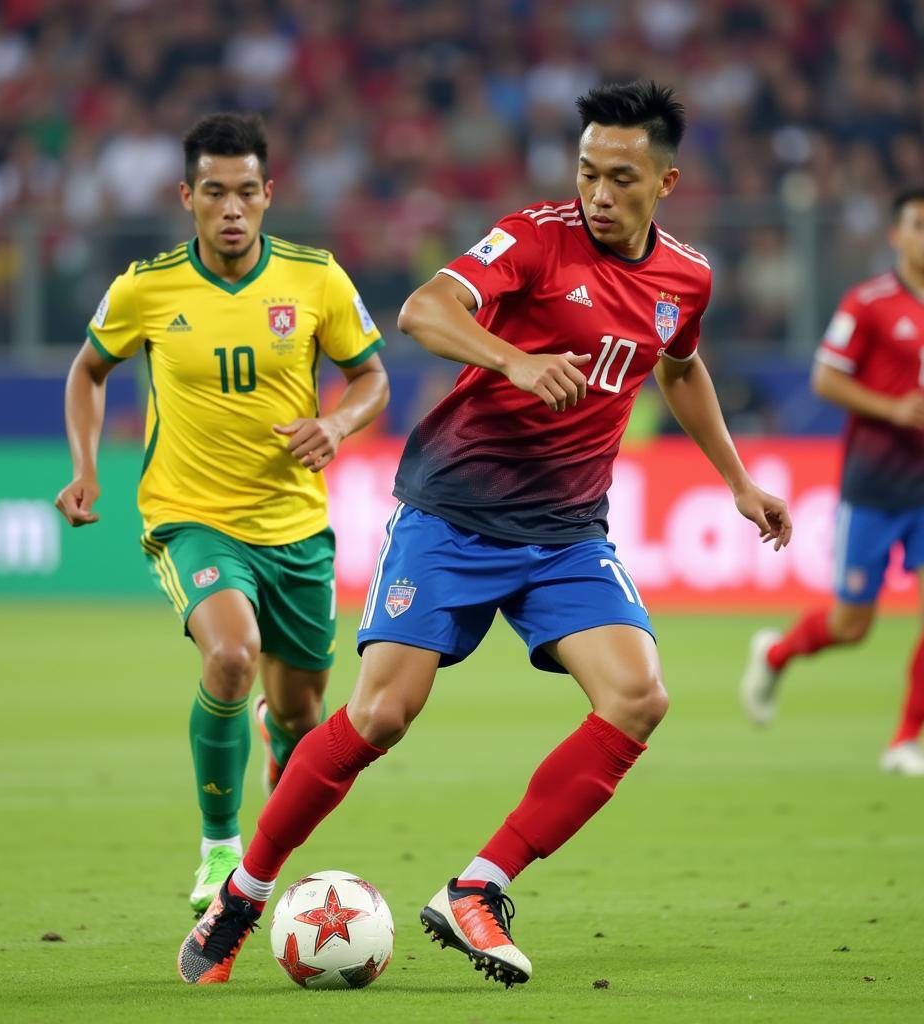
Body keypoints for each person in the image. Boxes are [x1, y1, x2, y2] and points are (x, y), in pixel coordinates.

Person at [177, 81, 791, 987]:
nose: (599, 193)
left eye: (622, 177)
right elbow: (424, 310)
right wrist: (516, 360)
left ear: (666, 181)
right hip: (454, 512)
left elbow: (682, 366)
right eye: (587, 171)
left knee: (639, 696)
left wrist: (737, 480)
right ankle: (245, 890)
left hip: (568, 532)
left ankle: (479, 887)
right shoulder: (535, 238)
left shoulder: (686, 276)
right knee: (383, 713)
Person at [54, 113, 389, 914]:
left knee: (306, 713)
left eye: (246, 192)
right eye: (214, 193)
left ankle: (278, 739)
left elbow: (372, 377)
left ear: (269, 196)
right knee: (231, 657)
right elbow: (88, 371)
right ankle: (218, 850)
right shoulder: (147, 286)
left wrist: (337, 423)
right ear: (187, 197)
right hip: (190, 516)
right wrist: (85, 469)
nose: (231, 208)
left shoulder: (318, 279)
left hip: (297, 528)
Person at [740, 188, 924, 774]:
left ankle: (904, 741)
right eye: (918, 224)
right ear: (896, 236)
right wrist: (892, 409)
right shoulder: (868, 303)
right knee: (852, 625)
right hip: (874, 485)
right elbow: (825, 378)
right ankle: (777, 652)